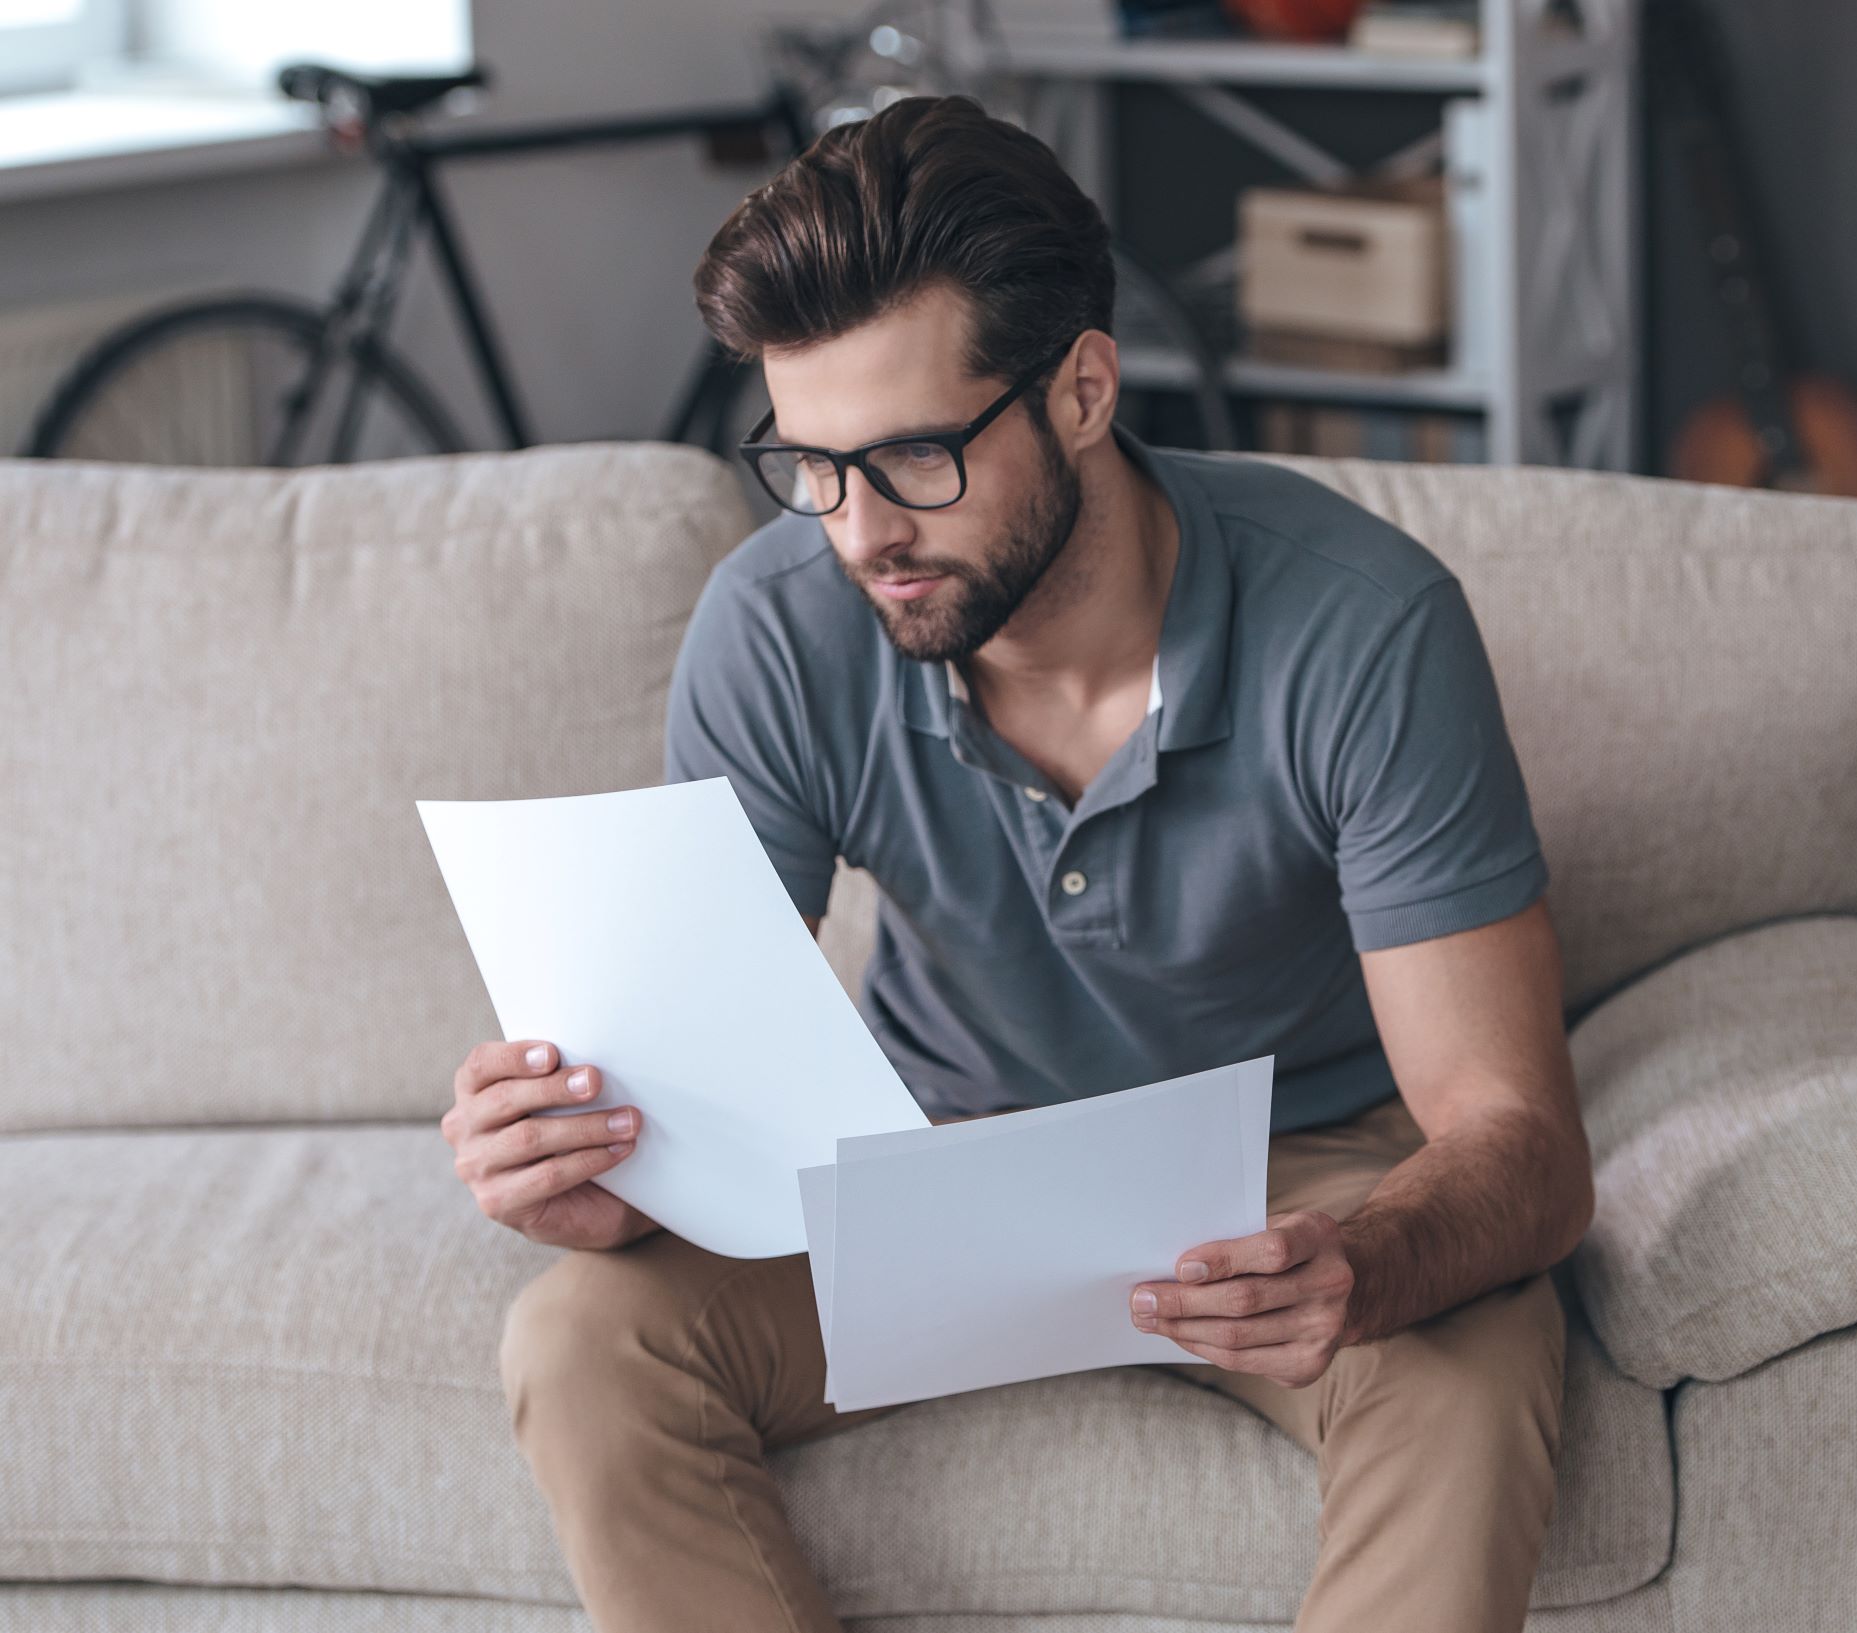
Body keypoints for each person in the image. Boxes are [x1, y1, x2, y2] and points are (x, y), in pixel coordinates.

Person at [439, 93, 1593, 1633]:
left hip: (1291, 1162)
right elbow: (706, 1101)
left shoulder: (1366, 629)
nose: (859, 534)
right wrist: (601, 1178)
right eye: (812, 464)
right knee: (579, 1343)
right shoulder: (781, 625)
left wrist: (1362, 1262)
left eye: (913, 457)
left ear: (1083, 391)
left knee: (1476, 1361)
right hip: (930, 1160)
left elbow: (1520, 1135)